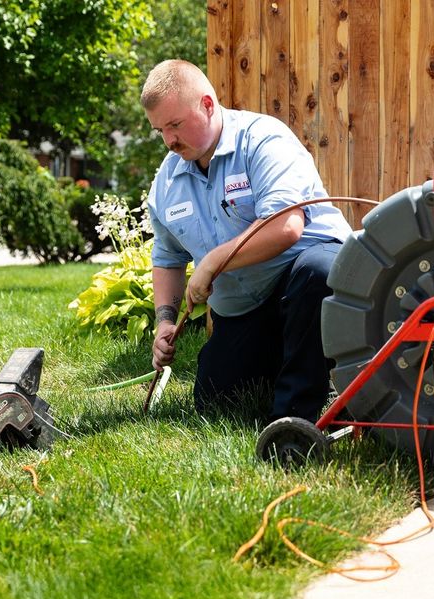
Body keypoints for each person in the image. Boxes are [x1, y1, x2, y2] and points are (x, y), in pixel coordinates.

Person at [142, 59, 350, 422]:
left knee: (316, 272)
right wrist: (164, 321)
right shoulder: (167, 182)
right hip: (245, 307)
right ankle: (299, 368)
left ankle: (297, 420)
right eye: (160, 130)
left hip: (307, 281)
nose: (169, 140)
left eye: (175, 124)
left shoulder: (262, 139)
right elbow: (168, 259)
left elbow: (286, 226)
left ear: (207, 105)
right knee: (215, 401)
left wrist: (212, 262)